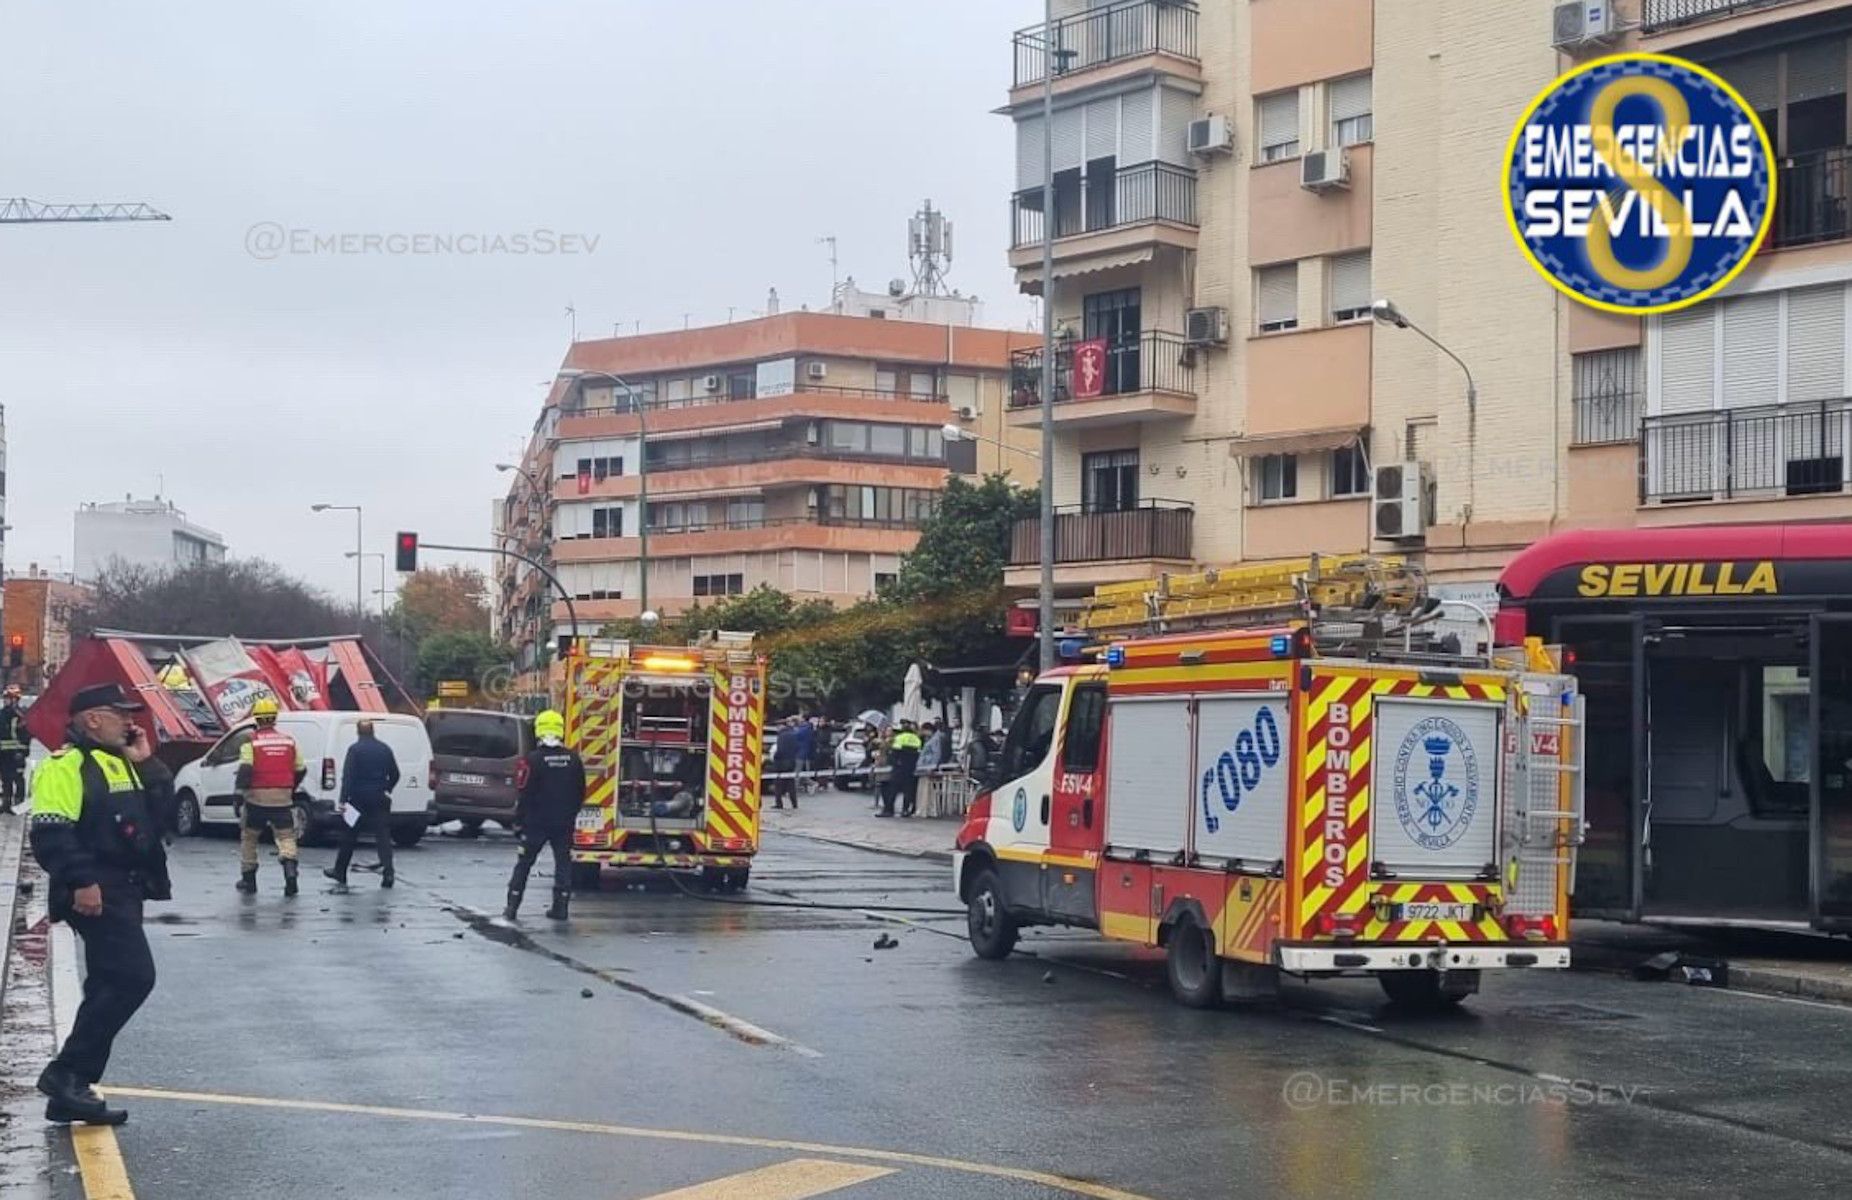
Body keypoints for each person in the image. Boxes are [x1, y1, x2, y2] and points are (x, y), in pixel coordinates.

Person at [29, 683, 173, 1126]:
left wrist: (146, 762)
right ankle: (66, 1074)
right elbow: (51, 833)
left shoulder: (121, 763)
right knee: (134, 976)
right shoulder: (65, 765)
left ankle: (68, 1091)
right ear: (92, 719)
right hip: (95, 886)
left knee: (110, 981)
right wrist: (82, 880)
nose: (131, 722)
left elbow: (163, 816)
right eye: (121, 714)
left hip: (125, 887)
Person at [504, 709, 585, 921]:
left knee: (524, 863)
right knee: (563, 864)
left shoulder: (532, 760)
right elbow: (580, 792)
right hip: (563, 823)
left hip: (535, 823)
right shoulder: (573, 759)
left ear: (539, 730)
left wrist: (518, 821)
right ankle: (561, 908)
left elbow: (524, 792)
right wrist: (570, 815)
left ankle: (512, 907)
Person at [235, 697, 305, 896]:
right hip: (282, 799)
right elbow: (300, 768)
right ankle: (290, 871)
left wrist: (239, 795)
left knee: (249, 838)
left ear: (256, 719)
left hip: (256, 799)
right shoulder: (289, 741)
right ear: (274, 718)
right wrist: (290, 787)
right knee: (286, 837)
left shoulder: (251, 742)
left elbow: (245, 769)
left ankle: (249, 881)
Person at [325, 718, 400, 891]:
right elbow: (395, 773)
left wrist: (343, 800)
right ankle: (388, 872)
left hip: (357, 800)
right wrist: (387, 788)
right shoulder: (384, 749)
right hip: (379, 797)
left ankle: (340, 871)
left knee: (349, 835)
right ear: (373, 731)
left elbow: (348, 777)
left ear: (358, 732)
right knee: (383, 837)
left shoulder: (355, 750)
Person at [880, 720, 923, 818]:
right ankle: (905, 810)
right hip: (911, 768)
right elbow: (918, 753)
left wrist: (892, 762)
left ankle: (889, 810)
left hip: (899, 768)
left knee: (892, 789)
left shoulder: (899, 738)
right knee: (908, 790)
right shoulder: (916, 739)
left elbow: (895, 753)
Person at [1, 684, 31, 814]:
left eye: (8, 698)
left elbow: (26, 735)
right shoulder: (2, 714)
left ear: (15, 699)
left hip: (17, 754)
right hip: (3, 753)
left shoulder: (21, 715)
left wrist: (23, 751)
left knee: (18, 778)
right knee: (5, 779)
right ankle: (6, 804)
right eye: (5, 698)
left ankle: (19, 805)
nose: (5, 700)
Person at [770, 718, 802, 810]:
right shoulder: (793, 734)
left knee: (778, 784)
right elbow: (797, 747)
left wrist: (775, 758)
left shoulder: (782, 736)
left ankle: (779, 803)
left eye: (777, 726)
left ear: (781, 726)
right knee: (790, 783)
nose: (777, 728)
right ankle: (794, 803)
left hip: (781, 763)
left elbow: (780, 750)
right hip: (791, 762)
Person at [792, 713, 817, 796]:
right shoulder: (805, 728)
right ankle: (811, 784)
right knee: (800, 772)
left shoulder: (805, 729)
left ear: (803, 719)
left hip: (801, 753)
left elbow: (796, 736)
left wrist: (794, 727)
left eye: (800, 717)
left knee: (797, 772)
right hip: (800, 752)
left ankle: (794, 791)